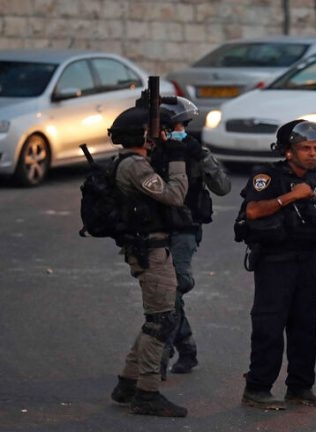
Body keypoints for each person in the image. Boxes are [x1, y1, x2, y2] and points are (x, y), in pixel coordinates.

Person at [240, 120, 316, 410]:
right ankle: (257, 388)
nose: (312, 153)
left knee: (305, 325)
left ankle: (300, 387)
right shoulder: (267, 177)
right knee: (269, 325)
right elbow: (253, 211)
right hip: (275, 262)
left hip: (308, 262)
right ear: (288, 151)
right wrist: (290, 197)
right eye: (305, 148)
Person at [106, 106, 189, 417]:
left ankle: (128, 383)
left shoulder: (129, 162)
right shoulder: (135, 166)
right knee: (161, 321)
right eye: (154, 131)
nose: (160, 135)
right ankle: (147, 393)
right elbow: (174, 196)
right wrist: (178, 158)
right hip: (150, 251)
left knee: (156, 319)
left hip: (149, 248)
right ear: (143, 135)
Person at [150, 97, 232, 379]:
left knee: (175, 286)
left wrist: (199, 155)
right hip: (154, 228)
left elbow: (222, 186)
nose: (178, 132)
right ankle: (186, 347)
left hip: (184, 227)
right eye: (173, 127)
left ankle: (160, 358)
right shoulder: (150, 152)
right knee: (165, 292)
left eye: (181, 126)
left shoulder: (194, 151)